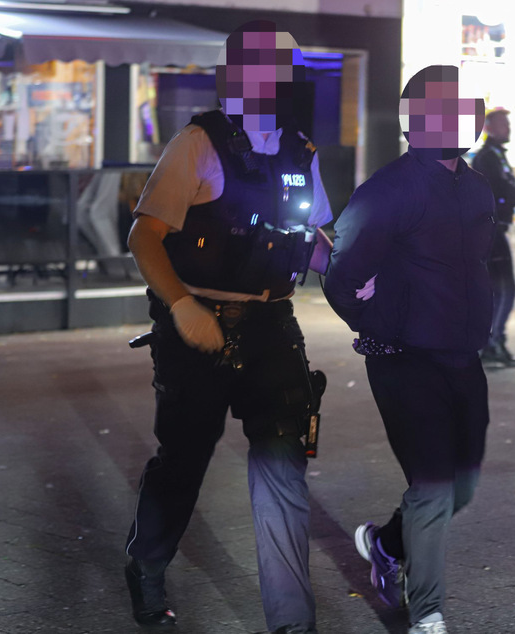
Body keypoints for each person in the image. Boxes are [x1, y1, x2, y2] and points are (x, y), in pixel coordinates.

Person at [122, 21, 333, 634]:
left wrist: (354, 280)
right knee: (184, 460)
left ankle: (292, 621)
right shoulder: (198, 143)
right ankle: (147, 564)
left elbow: (314, 237)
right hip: (199, 330)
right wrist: (183, 308)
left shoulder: (299, 149)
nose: (282, 83)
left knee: (282, 465)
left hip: (272, 322)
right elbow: (144, 234)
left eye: (287, 72)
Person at [324, 65, 493, 634]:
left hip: (464, 357)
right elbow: (340, 277)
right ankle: (428, 613)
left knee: (460, 488)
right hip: (402, 359)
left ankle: (384, 544)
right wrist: (381, 323)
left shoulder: (475, 188)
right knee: (432, 486)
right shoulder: (388, 190)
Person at [471, 108, 515, 367]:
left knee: (501, 290)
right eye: (502, 124)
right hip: (490, 231)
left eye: (508, 123)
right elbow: (498, 189)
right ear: (488, 128)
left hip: (495, 230)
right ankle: (491, 344)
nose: (507, 128)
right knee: (503, 290)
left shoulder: (496, 155)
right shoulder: (488, 157)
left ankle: (494, 342)